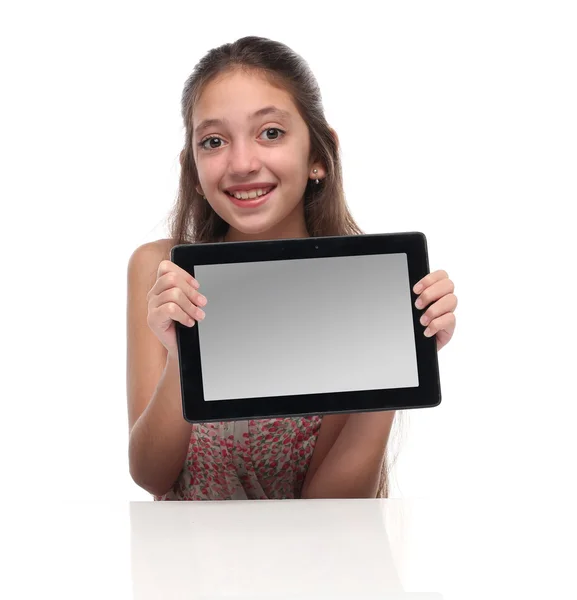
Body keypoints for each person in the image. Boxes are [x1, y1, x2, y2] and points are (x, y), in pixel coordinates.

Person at [126, 36, 458, 501]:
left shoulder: (360, 286)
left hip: (315, 568)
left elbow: (331, 511)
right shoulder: (160, 271)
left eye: (271, 133)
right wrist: (182, 355)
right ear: (194, 170)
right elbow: (150, 474)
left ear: (318, 157)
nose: (242, 163)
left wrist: (395, 366)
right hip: (184, 569)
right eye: (214, 141)